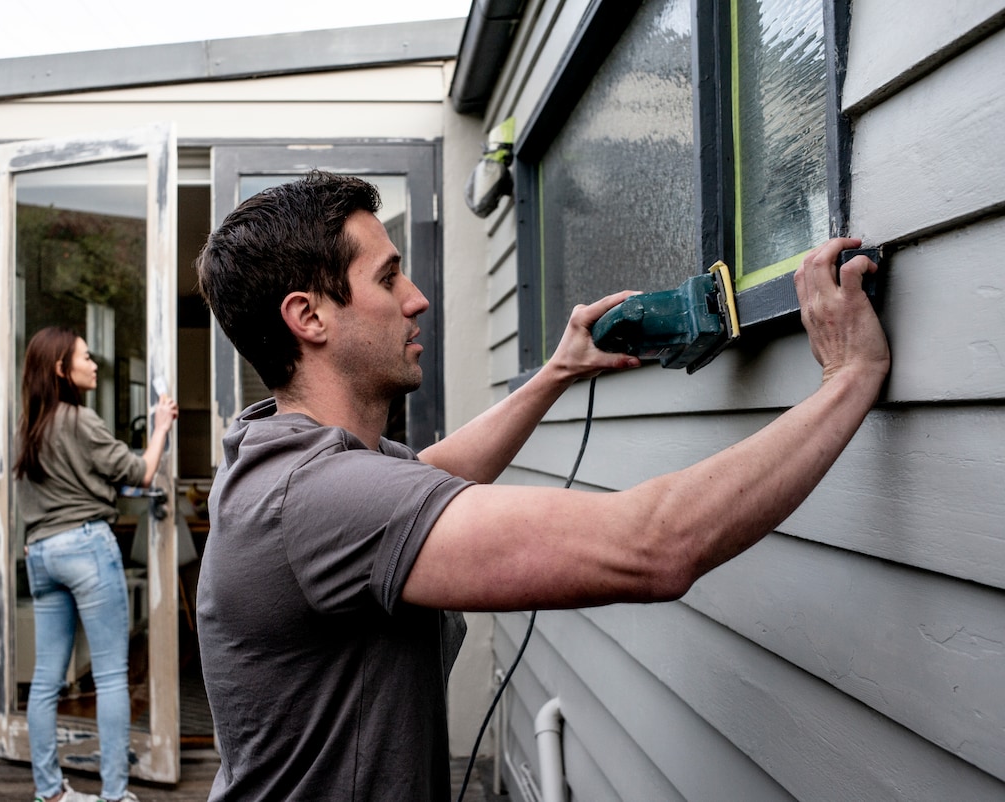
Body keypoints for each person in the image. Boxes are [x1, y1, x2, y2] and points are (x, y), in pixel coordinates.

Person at [193, 172, 890, 801]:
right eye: (389, 279)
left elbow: (427, 478)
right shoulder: (320, 497)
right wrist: (848, 378)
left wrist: (556, 372)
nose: (417, 298)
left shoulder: (288, 457)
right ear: (309, 316)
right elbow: (653, 546)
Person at [14, 326, 178, 802]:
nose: (94, 364)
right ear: (61, 369)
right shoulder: (80, 421)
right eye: (85, 357)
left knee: (46, 681)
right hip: (86, 548)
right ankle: (114, 795)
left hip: (41, 553)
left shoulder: (31, 426)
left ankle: (50, 792)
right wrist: (161, 426)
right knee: (109, 676)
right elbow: (140, 472)